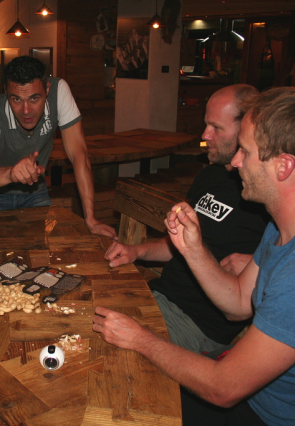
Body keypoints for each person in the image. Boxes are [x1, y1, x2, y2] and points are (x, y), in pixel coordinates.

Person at [93, 87, 295, 425]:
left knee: (122, 400)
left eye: (245, 150)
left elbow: (223, 389)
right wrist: (193, 250)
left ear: (284, 166)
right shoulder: (290, 224)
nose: (236, 160)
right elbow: (239, 303)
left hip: (282, 417)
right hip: (261, 399)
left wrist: (140, 338)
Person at [104, 84, 269, 354]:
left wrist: (262, 263)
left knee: (105, 352)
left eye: (216, 128)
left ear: (247, 129)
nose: (205, 135)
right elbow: (184, 244)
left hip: (198, 325)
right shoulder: (211, 176)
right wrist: (137, 250)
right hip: (160, 296)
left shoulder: (261, 194)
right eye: (206, 125)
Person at [0, 55, 117, 240]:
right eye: (16, 99)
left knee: (46, 254)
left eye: (34, 98)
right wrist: (11, 174)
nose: (26, 110)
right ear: (6, 92)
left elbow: (79, 154)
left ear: (47, 89)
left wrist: (90, 218)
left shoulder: (59, 92)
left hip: (34, 192)